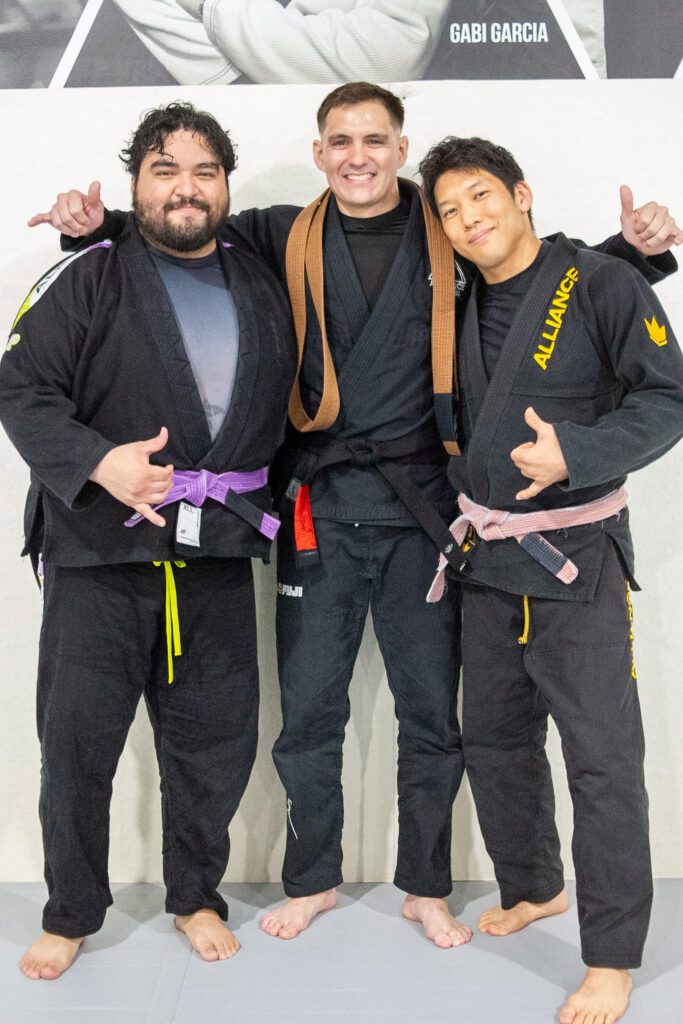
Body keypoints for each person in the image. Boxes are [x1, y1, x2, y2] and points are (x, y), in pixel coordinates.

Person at [30, 82, 680, 950]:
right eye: (339, 140)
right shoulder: (278, 232)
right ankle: (313, 880)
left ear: (400, 148)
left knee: (427, 712)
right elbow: (180, 228)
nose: (357, 155)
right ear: (318, 153)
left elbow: (532, 287)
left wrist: (633, 258)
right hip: (317, 507)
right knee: (308, 710)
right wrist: (96, 222)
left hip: (426, 515)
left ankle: (423, 883)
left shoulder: (446, 231)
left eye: (374, 138)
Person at [0, 101, 295, 980]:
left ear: (227, 186)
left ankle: (194, 895)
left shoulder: (262, 269)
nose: (186, 188)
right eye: (164, 170)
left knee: (214, 741)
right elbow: (20, 389)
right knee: (79, 744)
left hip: (215, 550)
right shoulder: (89, 272)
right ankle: (70, 911)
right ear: (136, 183)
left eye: (204, 171)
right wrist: (98, 463)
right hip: (102, 551)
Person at [418, 135, 683, 1023]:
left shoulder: (603, 284)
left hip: (578, 564)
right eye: (450, 210)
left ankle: (610, 957)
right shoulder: (449, 302)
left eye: (482, 196)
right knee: (493, 742)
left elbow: (665, 398)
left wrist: (578, 450)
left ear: (522, 195)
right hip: (485, 563)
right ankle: (533, 884)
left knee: (603, 762)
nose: (469, 218)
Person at [111, 0, 451, 85]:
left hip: (380, 147)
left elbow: (392, 54)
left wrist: (215, 9)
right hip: (245, 144)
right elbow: (237, 83)